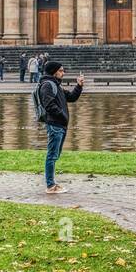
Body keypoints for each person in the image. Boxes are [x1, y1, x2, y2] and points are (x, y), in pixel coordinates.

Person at [36, 60, 84, 194]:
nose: (63, 73)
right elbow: (49, 105)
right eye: (61, 70)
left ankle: (52, 183)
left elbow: (72, 97)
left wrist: (79, 86)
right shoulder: (47, 85)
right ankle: (50, 186)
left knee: (54, 155)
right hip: (55, 125)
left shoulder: (56, 85)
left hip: (60, 125)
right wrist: (62, 115)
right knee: (51, 156)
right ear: (54, 72)